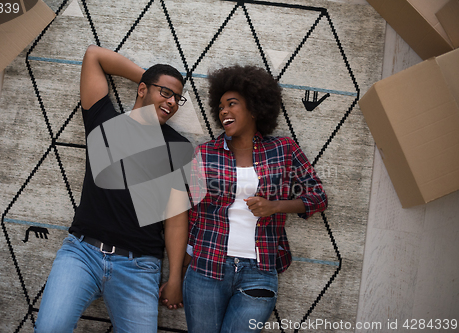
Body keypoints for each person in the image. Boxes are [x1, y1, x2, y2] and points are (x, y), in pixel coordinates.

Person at [34, 45, 190, 333]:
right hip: (82, 253)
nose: (171, 102)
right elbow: (94, 55)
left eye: (177, 98)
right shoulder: (103, 121)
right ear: (142, 89)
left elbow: (176, 218)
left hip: (139, 267)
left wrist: (176, 278)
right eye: (165, 93)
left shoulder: (178, 147)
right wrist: (147, 76)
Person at [182, 65, 328, 332]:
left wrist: (276, 206)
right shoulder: (204, 154)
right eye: (221, 106)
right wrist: (179, 273)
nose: (223, 111)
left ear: (254, 108)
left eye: (232, 104)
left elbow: (318, 196)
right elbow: (192, 214)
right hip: (206, 268)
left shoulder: (284, 149)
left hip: (258, 273)